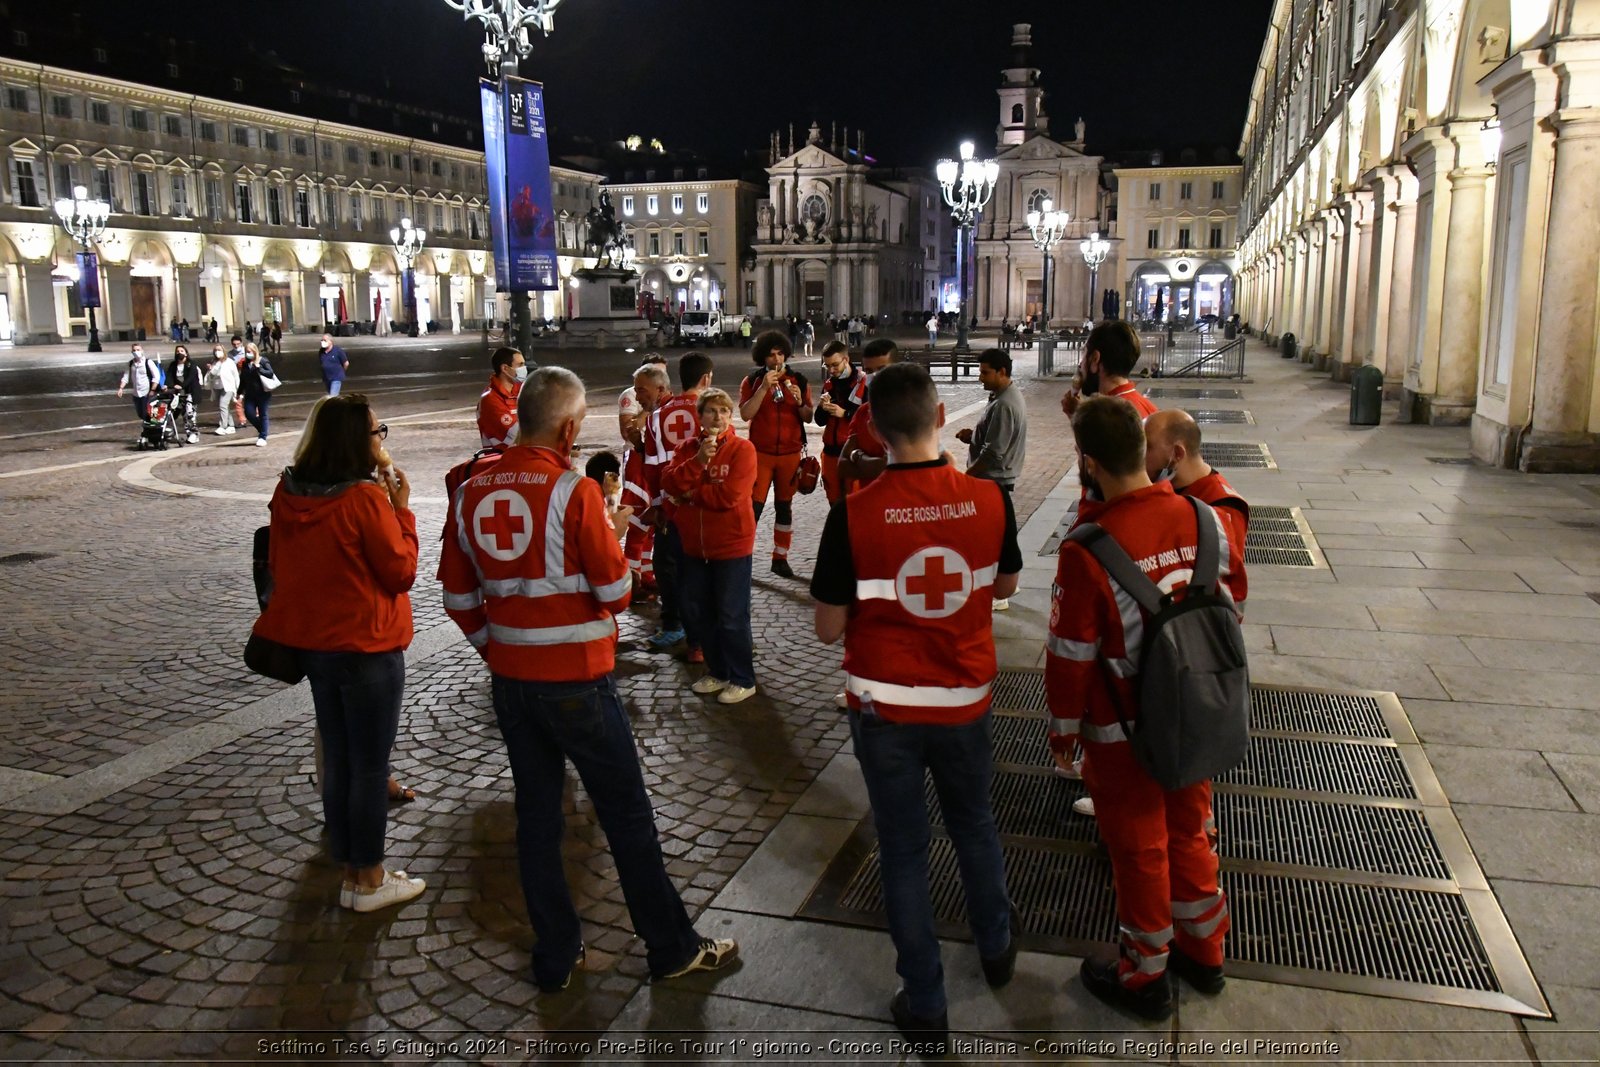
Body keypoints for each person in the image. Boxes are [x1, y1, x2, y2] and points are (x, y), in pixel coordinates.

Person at [438, 366, 739, 990]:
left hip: (512, 684)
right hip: (577, 680)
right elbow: (616, 591)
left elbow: (458, 599)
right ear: (571, 427)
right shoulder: (572, 492)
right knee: (626, 814)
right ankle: (670, 946)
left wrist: (498, 651)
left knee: (538, 817)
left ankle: (556, 952)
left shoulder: (470, 489)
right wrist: (613, 538)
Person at [810, 362, 1021, 1054]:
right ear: (940, 417)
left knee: (902, 848)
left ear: (872, 426)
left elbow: (828, 628)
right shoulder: (991, 500)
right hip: (964, 700)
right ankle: (996, 947)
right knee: (975, 824)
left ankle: (925, 1001)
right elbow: (1004, 583)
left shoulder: (854, 513)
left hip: (886, 709)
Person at [1045, 395, 1245, 1021]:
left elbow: (1070, 655)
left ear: (1090, 461)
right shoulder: (1207, 518)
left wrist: (1062, 730)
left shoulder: (1088, 549)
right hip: (1194, 710)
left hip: (1120, 729)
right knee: (1190, 829)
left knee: (1138, 849)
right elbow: (1230, 606)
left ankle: (1144, 974)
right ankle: (1206, 951)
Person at [253, 394, 423, 912]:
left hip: (315, 648)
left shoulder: (287, 492)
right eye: (376, 431)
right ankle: (369, 879)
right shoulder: (365, 500)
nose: (381, 439)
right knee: (370, 768)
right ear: (356, 440)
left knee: (341, 761)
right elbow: (401, 572)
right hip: (367, 647)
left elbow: (281, 562)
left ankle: (350, 868)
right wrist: (404, 512)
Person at [662, 389, 758, 703]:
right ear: (700, 416)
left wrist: (690, 496)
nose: (717, 417)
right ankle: (718, 672)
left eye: (723, 411)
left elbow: (729, 497)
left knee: (731, 616)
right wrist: (699, 461)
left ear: (730, 416)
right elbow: (671, 483)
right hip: (694, 547)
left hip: (731, 545)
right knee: (702, 613)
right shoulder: (687, 448)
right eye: (711, 411)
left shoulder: (742, 450)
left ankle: (743, 677)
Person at [643, 352, 714, 653]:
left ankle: (674, 625)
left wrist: (660, 505)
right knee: (702, 572)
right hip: (704, 508)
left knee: (669, 568)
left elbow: (652, 468)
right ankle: (705, 636)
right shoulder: (713, 413)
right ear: (706, 378)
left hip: (671, 507)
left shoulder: (657, 416)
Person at [1144, 408, 1250, 604]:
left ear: (1177, 453)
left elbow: (1227, 589)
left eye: (1148, 447)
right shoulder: (1167, 486)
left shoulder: (1224, 506)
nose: (1140, 456)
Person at [955, 349, 1027, 609]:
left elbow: (994, 452)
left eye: (985, 372)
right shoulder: (1001, 398)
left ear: (1002, 372)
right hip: (992, 477)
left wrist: (967, 476)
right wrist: (973, 435)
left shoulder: (1006, 404)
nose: (980, 377)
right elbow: (993, 437)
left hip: (992, 478)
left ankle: (1000, 592)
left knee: (991, 536)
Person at [738, 331, 812, 580]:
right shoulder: (751, 381)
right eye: (770, 355)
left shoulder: (798, 379)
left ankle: (780, 558)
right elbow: (746, 414)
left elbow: (808, 417)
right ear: (763, 358)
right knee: (753, 509)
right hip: (760, 454)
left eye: (780, 353)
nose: (776, 359)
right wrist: (763, 388)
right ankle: (743, 558)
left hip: (790, 454)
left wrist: (801, 402)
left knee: (784, 507)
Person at [620, 359, 670, 594]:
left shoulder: (665, 413)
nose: (637, 394)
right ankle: (632, 580)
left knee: (649, 529)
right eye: (636, 388)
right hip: (640, 472)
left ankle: (645, 575)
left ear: (659, 389)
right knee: (639, 526)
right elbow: (629, 433)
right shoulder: (645, 407)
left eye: (641, 389)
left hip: (656, 479)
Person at [836, 338, 898, 492]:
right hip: (869, 503)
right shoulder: (863, 412)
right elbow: (843, 466)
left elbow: (896, 467)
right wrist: (874, 464)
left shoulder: (910, 411)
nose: (875, 376)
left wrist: (857, 456)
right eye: (869, 371)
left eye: (882, 369)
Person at [1062, 320, 1157, 419]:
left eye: (1084, 354)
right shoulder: (1145, 407)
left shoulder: (1110, 416)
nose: (1081, 364)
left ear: (1095, 359)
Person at [813, 341, 866, 504]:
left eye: (835, 365)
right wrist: (822, 407)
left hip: (853, 453)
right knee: (834, 503)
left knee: (855, 503)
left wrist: (845, 413)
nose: (831, 370)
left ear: (846, 359)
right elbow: (820, 421)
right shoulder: (829, 384)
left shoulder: (863, 383)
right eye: (827, 366)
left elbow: (871, 418)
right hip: (830, 452)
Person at [476, 347, 526, 449]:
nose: (524, 368)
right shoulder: (490, 399)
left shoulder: (521, 391)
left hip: (521, 457)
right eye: (520, 365)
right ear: (505, 368)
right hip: (501, 459)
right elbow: (515, 436)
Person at [116, 343, 162, 429]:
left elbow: (156, 376)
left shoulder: (148, 362)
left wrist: (152, 390)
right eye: (134, 350)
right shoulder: (130, 364)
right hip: (136, 393)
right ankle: (150, 428)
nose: (136, 352)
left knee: (151, 413)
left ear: (142, 351)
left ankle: (156, 430)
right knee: (141, 414)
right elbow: (125, 377)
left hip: (147, 392)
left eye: (138, 350)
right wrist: (121, 388)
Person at [238, 343, 277, 447]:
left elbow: (270, 373)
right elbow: (243, 379)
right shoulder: (245, 364)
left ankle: (263, 436)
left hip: (262, 393)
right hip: (250, 394)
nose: (248, 354)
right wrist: (239, 392)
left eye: (250, 352)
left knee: (263, 413)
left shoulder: (263, 360)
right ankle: (263, 429)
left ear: (255, 352)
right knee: (249, 413)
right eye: (246, 352)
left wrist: (259, 368)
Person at [167, 345, 203, 445]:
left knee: (190, 414)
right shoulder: (173, 365)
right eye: (177, 351)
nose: (179, 353)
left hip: (191, 392)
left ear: (186, 353)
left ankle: (193, 434)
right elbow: (169, 376)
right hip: (178, 395)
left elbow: (191, 378)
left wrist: (181, 386)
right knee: (179, 414)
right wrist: (168, 385)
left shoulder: (191, 364)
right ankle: (171, 432)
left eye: (182, 351)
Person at [207, 344, 241, 435]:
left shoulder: (229, 362)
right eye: (216, 350)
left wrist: (236, 389)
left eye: (219, 350)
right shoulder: (214, 362)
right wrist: (210, 369)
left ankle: (223, 426)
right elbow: (212, 375)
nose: (217, 352)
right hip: (217, 387)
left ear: (224, 351)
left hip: (228, 387)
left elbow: (236, 376)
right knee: (224, 407)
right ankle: (231, 425)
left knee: (223, 405)